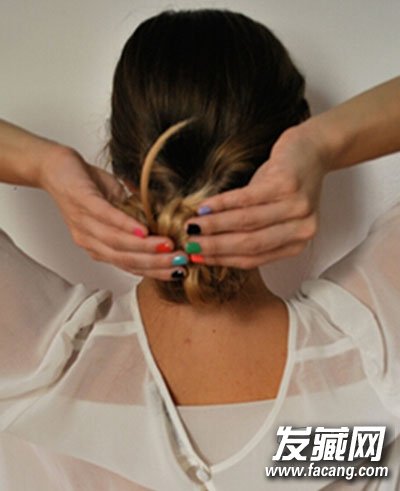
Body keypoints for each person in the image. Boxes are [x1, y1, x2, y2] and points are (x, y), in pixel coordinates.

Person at [0, 8, 399, 491]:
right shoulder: (370, 352)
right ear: (283, 162)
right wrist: (323, 143)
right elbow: (298, 460)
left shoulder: (39, 366)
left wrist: (45, 164)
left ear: (122, 167)